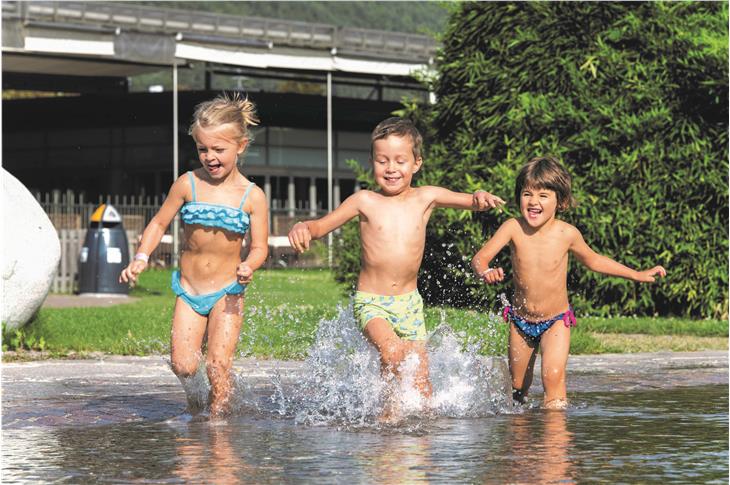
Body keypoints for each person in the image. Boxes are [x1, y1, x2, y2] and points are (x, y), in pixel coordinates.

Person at [288, 117, 504, 413]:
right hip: (372, 303)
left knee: (421, 382)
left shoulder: (426, 197)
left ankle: (397, 426)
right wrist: (304, 227)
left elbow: (468, 200)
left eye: (400, 161)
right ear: (372, 162)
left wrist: (478, 198)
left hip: (410, 304)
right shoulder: (364, 201)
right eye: (383, 161)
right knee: (392, 353)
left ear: (416, 163)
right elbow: (320, 226)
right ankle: (386, 420)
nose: (391, 168)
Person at [471, 156, 666, 409]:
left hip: (556, 321)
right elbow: (480, 259)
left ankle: (555, 442)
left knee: (553, 377)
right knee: (517, 387)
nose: (533, 201)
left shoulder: (567, 234)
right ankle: (519, 442)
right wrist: (485, 271)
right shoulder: (513, 228)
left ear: (560, 201)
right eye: (527, 194)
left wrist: (636, 274)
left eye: (543, 195)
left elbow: (594, 261)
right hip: (520, 320)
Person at [120, 93, 269, 417]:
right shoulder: (187, 184)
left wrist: (250, 265)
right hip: (189, 290)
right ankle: (198, 401)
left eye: (219, 149)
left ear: (240, 146)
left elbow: (260, 247)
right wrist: (141, 257)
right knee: (184, 365)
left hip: (227, 291)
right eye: (203, 149)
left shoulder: (252, 196)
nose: (210, 157)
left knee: (217, 365)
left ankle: (218, 429)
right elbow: (159, 222)